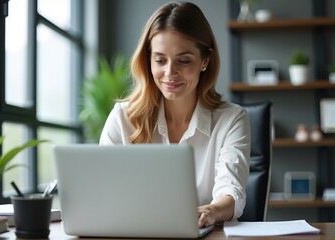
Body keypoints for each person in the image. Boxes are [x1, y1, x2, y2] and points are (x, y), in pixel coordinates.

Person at [100, 1, 250, 227]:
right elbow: (103, 193)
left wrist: (211, 211)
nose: (170, 73)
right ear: (148, 60)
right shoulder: (122, 118)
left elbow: (231, 193)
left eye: (184, 60)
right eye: (160, 60)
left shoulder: (232, 120)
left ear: (205, 60)